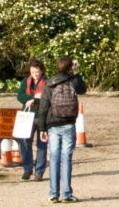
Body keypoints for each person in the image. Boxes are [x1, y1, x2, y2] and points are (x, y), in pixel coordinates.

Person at [35, 56, 80, 203]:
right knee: (66, 158)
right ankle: (66, 194)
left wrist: (42, 128)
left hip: (53, 124)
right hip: (69, 123)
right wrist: (77, 72)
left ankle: (53, 193)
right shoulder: (73, 81)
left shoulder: (50, 83)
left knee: (54, 157)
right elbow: (83, 89)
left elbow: (43, 108)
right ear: (70, 66)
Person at [16, 59, 48, 182]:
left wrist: (34, 100)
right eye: (33, 71)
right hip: (27, 117)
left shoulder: (47, 83)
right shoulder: (25, 82)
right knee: (24, 142)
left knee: (42, 145)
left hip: (42, 116)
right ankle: (27, 168)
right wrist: (34, 97)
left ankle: (39, 172)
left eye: (37, 71)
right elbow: (20, 96)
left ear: (42, 71)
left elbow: (47, 98)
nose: (35, 74)